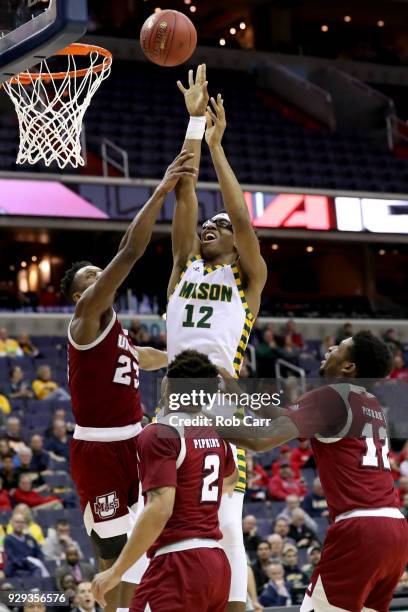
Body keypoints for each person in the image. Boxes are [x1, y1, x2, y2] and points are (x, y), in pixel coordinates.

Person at [60, 151, 193, 612]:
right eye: (93, 278)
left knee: (141, 552)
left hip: (135, 439)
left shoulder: (115, 332)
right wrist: (160, 191)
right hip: (99, 450)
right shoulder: (85, 319)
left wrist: (186, 355)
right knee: (113, 555)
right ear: (82, 295)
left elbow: (147, 357)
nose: (103, 278)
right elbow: (131, 252)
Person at [166, 64, 267, 612]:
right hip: (171, 405)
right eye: (210, 223)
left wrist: (218, 147)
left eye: (222, 226)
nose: (212, 225)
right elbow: (185, 192)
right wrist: (193, 125)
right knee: (166, 524)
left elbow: (244, 222)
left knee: (227, 531)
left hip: (222, 404)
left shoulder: (247, 279)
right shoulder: (183, 268)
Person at [223, 331, 408, 611]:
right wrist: (238, 394)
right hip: (395, 529)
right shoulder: (370, 404)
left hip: (359, 529)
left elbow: (261, 440)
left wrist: (197, 424)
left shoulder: (332, 396)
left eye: (340, 346)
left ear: (349, 366)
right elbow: (287, 416)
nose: (330, 347)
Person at [91, 350, 239, 612]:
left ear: (169, 385)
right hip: (216, 564)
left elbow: (161, 508)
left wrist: (116, 571)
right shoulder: (217, 435)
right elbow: (230, 480)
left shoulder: (161, 433)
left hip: (177, 565)